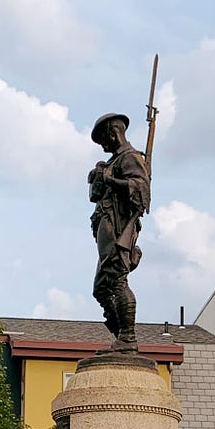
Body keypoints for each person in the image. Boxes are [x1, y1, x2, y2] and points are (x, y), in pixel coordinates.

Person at [87, 112, 151, 351]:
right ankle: (120, 337)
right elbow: (94, 194)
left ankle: (128, 338)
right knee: (101, 288)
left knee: (116, 281)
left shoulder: (130, 158)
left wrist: (111, 181)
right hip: (105, 227)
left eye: (104, 139)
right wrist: (99, 177)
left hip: (118, 227)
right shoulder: (113, 162)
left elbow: (141, 190)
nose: (103, 145)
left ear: (114, 133)